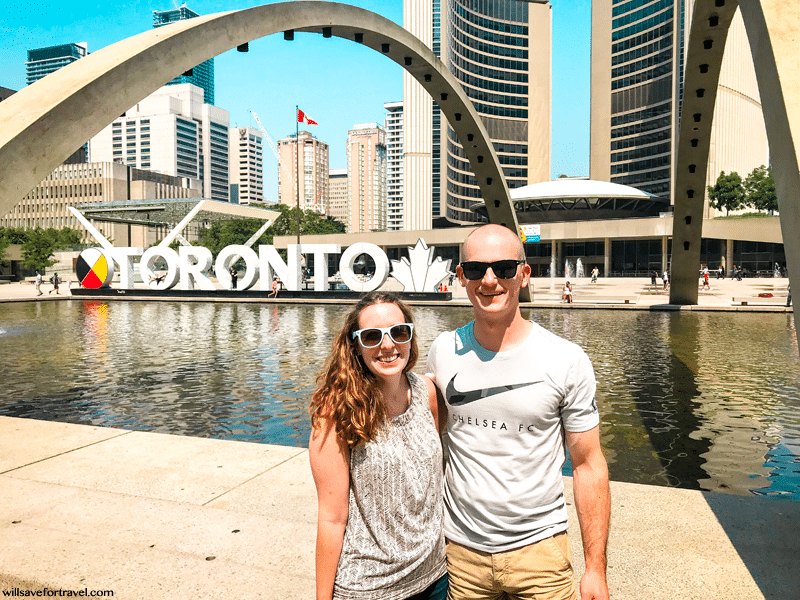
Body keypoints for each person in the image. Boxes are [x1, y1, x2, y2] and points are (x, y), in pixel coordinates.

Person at [426, 224, 610, 600]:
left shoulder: (566, 359)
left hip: (541, 553)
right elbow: (431, 445)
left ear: (524, 274)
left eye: (504, 268)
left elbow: (588, 464)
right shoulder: (442, 351)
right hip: (461, 554)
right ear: (461, 277)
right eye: (476, 270)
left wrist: (595, 569)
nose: (490, 280)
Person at [308, 292, 447, 600]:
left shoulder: (427, 393)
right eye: (372, 336)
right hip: (369, 588)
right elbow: (332, 518)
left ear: (410, 337)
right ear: (356, 346)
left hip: (435, 578)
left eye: (398, 332)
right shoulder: (335, 412)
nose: (387, 345)